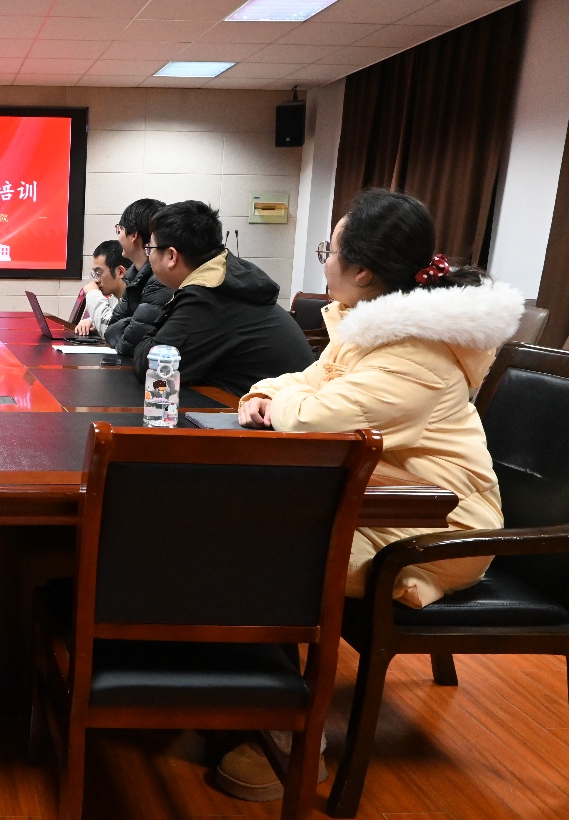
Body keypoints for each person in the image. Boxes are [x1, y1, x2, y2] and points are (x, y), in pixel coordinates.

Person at [219, 189, 525, 803]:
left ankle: (293, 737)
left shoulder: (415, 352)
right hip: (391, 505)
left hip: (442, 532)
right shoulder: (367, 329)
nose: (324, 262)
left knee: (272, 551)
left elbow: (314, 420)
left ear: (361, 271)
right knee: (248, 525)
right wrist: (267, 394)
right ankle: (241, 690)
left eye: (327, 251)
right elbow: (300, 384)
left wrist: (278, 403)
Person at [129, 200, 314, 395]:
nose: (148, 255)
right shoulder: (225, 279)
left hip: (275, 411)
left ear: (171, 256)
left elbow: (150, 368)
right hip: (270, 404)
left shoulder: (208, 296)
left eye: (151, 248)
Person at [102, 197, 173, 353]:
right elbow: (110, 331)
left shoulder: (161, 279)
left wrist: (129, 325)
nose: (118, 236)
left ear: (134, 234)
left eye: (120, 229)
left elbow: (129, 345)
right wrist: (130, 323)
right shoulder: (134, 276)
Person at [74, 239, 129, 337]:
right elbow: (112, 319)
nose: (96, 280)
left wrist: (93, 293)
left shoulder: (135, 301)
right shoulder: (115, 298)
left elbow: (112, 332)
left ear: (120, 272)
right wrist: (92, 322)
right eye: (95, 274)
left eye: (99, 273)